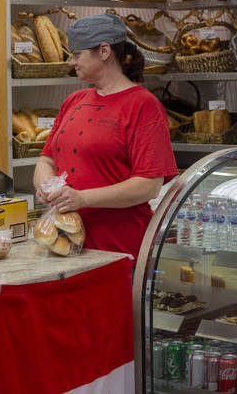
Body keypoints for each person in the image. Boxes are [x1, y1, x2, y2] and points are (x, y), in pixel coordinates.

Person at [34, 14, 178, 256]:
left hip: (118, 249)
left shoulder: (143, 105)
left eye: (77, 55)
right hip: (64, 245)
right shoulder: (74, 101)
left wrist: (83, 198)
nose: (71, 62)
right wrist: (47, 187)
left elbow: (149, 185)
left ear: (104, 51)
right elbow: (47, 160)